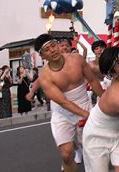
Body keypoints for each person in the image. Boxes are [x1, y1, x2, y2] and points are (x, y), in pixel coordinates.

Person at [33, 34, 104, 172]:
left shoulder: (77, 59)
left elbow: (93, 81)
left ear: (58, 45)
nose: (52, 50)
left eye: (53, 45)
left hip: (84, 103)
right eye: (47, 50)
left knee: (93, 150)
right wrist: (86, 115)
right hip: (63, 113)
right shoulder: (45, 77)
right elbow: (64, 102)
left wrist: (105, 99)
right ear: (42, 56)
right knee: (66, 154)